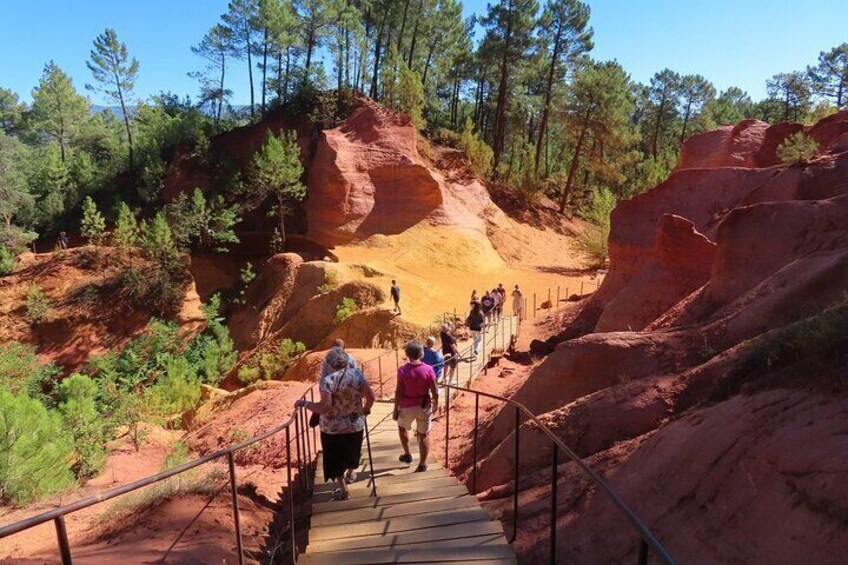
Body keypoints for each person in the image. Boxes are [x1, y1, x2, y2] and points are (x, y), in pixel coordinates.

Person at [296, 347, 375, 501]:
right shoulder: (358, 375)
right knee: (353, 450)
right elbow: (371, 397)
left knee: (334, 458)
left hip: (332, 428)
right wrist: (364, 411)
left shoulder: (327, 381)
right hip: (354, 423)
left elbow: (325, 407)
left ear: (330, 365)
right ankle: (351, 472)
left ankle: (344, 491)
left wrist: (305, 404)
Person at [393, 341, 439, 472]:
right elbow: (435, 390)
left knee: (402, 428)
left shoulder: (402, 370)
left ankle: (407, 454)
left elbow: (399, 391)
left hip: (406, 405)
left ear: (407, 354)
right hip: (424, 405)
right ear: (421, 354)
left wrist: (395, 409)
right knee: (424, 434)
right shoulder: (429, 369)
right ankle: (422, 464)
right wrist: (436, 403)